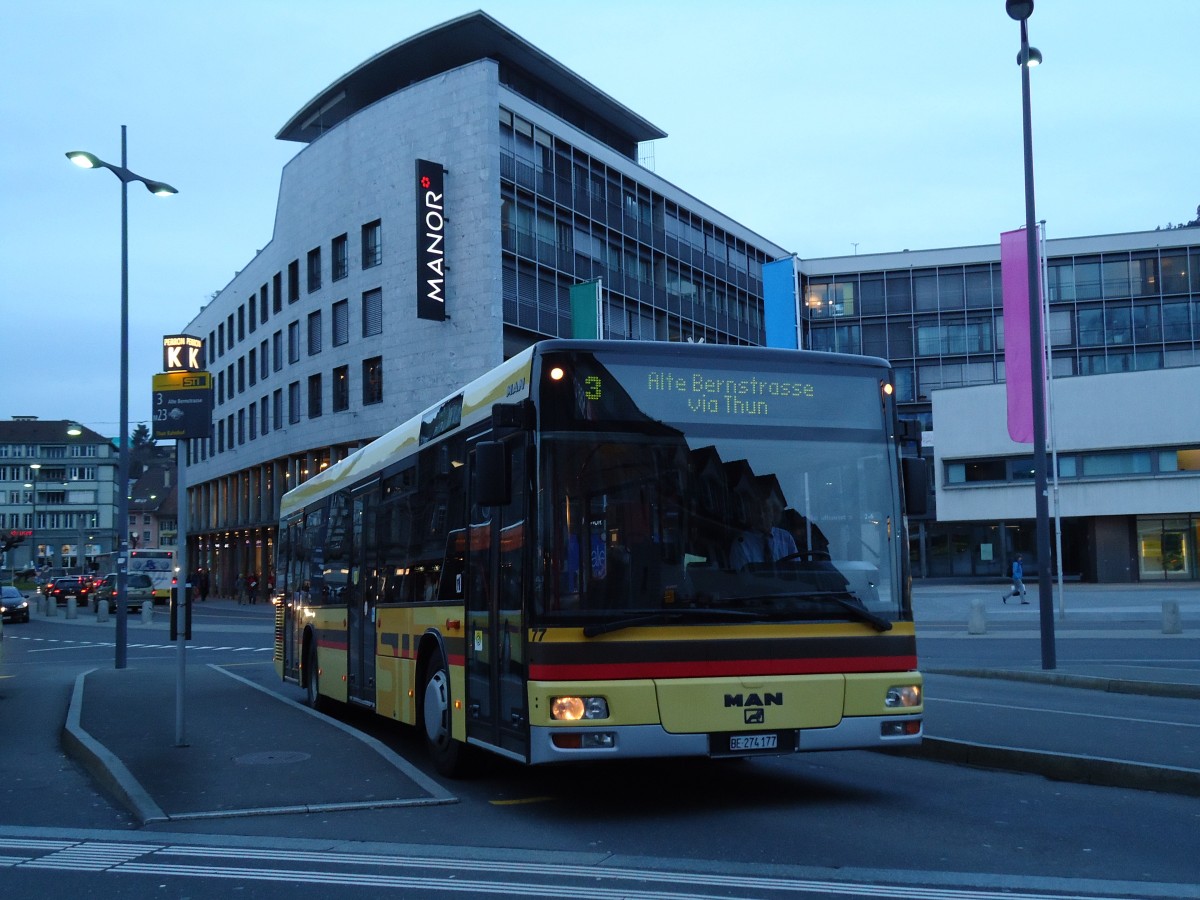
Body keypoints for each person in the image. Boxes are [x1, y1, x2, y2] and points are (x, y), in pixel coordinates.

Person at [730, 492, 798, 571]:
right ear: (751, 514)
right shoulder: (741, 543)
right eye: (757, 511)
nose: (761, 516)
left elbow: (797, 570)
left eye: (765, 510)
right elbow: (740, 577)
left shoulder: (786, 538)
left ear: (773, 514)